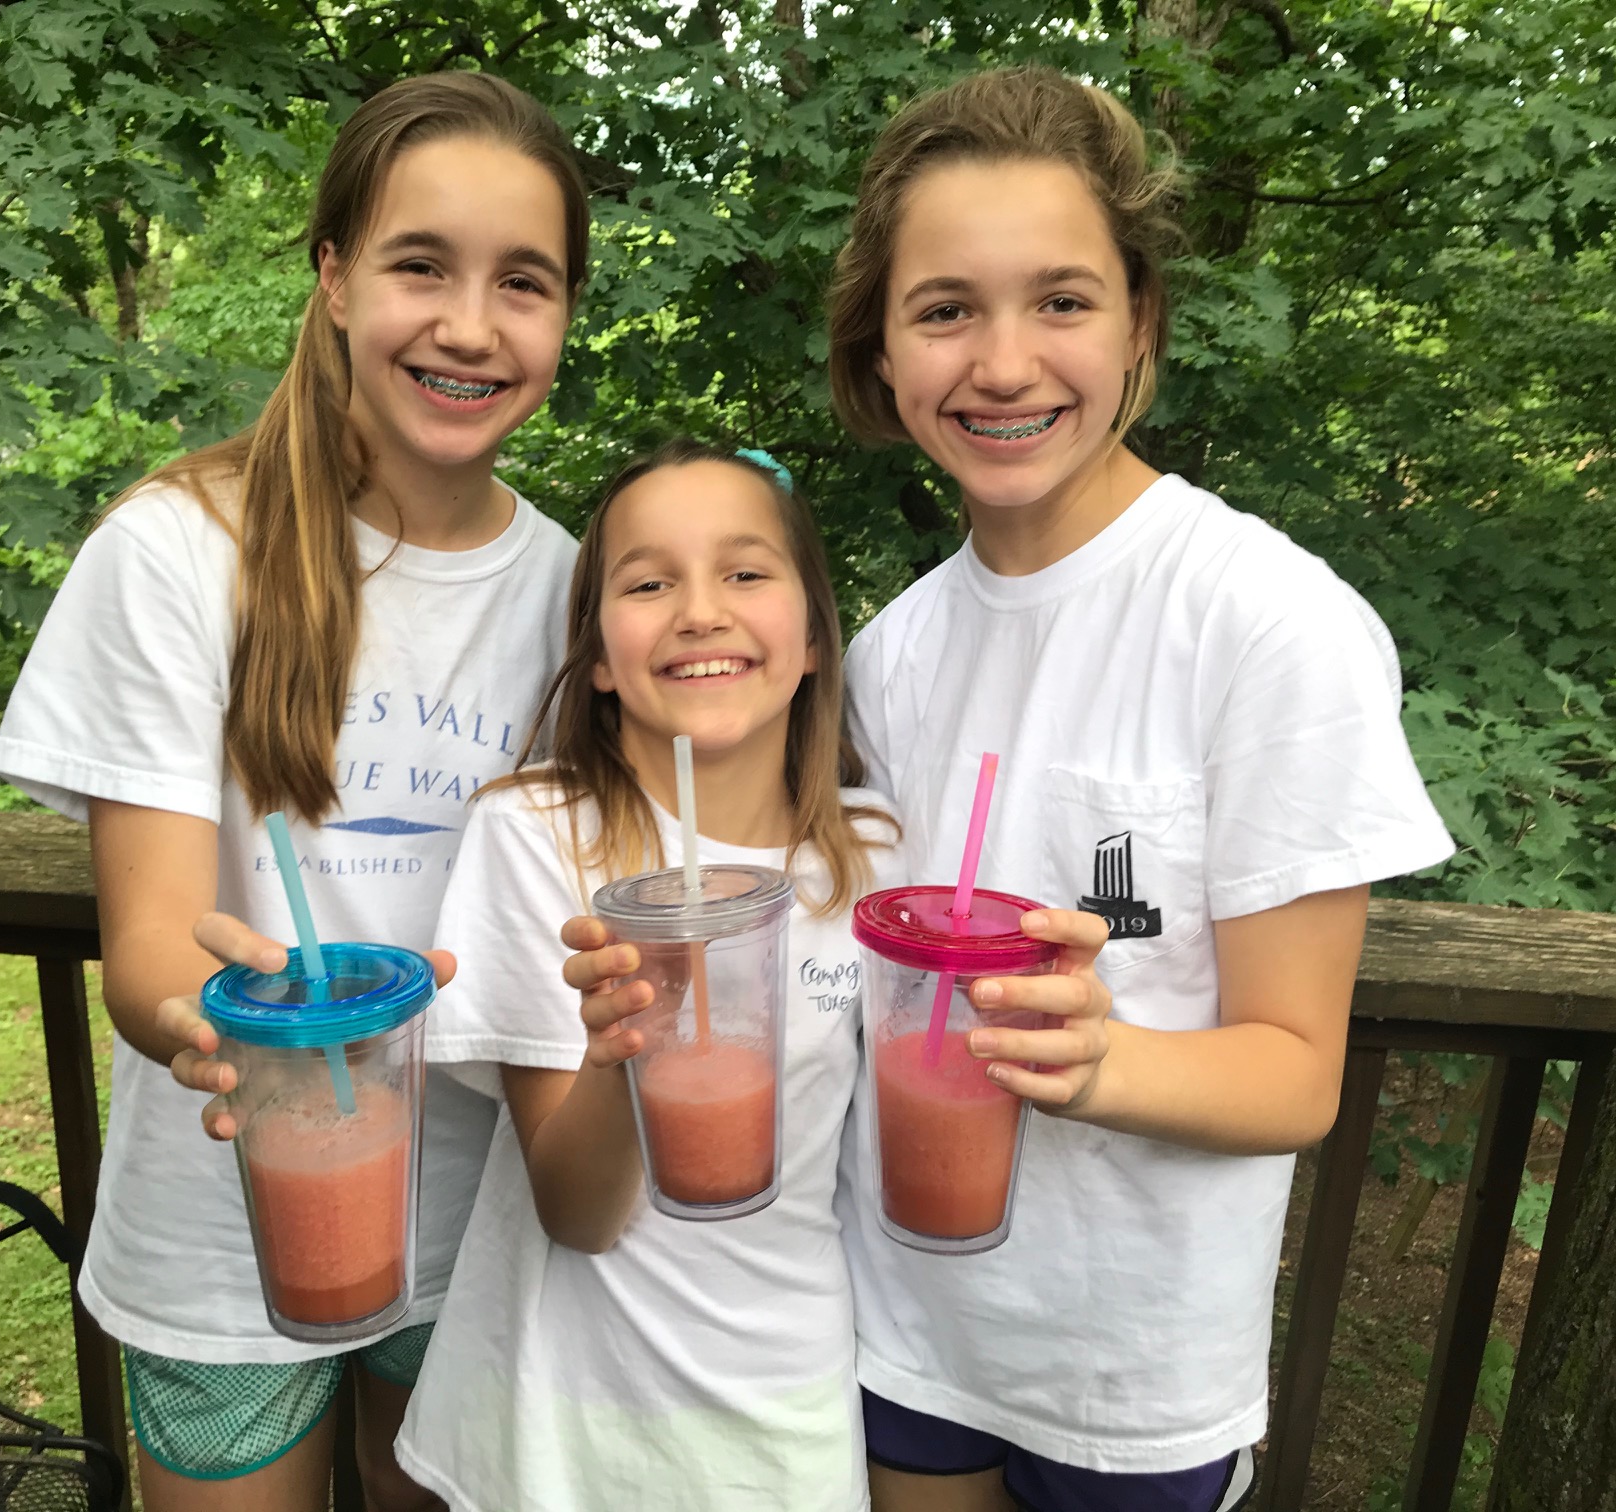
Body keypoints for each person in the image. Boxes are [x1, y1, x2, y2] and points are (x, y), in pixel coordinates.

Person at [565, 66, 1453, 1512]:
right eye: (944, 310)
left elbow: (1297, 1073)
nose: (1003, 362)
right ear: (882, 352)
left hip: (1131, 1377)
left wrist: (1104, 1064)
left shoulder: (1269, 626)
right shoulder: (888, 656)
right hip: (899, 1335)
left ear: (1140, 320)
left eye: (1061, 300)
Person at [0, 72, 587, 1512]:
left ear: (566, 315)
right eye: (420, 265)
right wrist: (211, 1027)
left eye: (523, 281)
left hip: (475, 1223)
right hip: (219, 1232)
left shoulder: (578, 588)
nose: (470, 325)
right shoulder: (176, 549)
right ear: (333, 279)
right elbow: (148, 944)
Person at [393, 440, 901, 1512]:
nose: (701, 611)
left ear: (814, 636)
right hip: (558, 1423)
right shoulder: (540, 834)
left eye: (745, 571)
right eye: (648, 583)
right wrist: (625, 1043)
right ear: (599, 659)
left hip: (785, 1411)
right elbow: (577, 1214)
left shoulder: (874, 854)